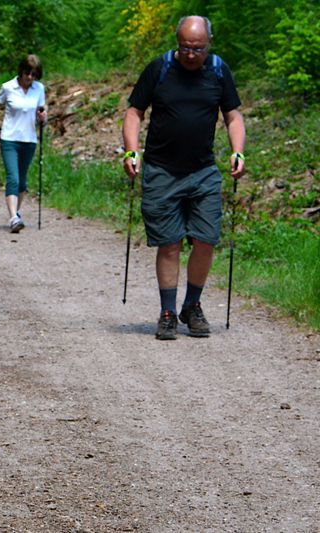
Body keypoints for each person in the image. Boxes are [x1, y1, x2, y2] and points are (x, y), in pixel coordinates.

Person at [122, 15, 246, 340]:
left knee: (206, 239)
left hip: (203, 170)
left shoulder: (218, 71)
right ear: (177, 42)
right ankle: (167, 312)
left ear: (209, 44)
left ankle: (192, 305)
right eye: (185, 47)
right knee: (170, 242)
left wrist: (238, 150)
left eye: (198, 48)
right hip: (162, 170)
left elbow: (233, 116)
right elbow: (135, 112)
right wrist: (131, 151)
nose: (191, 54)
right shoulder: (159, 68)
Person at [0, 54, 47, 233]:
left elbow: (42, 113)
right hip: (9, 137)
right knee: (13, 178)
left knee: (22, 181)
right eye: (27, 72)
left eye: (34, 74)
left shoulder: (39, 89)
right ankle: (13, 217)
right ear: (21, 71)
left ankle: (17, 212)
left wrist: (43, 118)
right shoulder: (8, 87)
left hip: (29, 139)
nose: (29, 77)